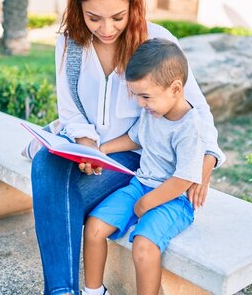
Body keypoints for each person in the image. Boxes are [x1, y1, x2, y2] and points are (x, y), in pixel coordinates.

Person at [30, 0, 225, 295]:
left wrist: (205, 162)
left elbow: (197, 109)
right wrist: (88, 145)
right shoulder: (69, 43)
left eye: (117, 17)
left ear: (133, 7)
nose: (106, 29)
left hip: (136, 160)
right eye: (94, 18)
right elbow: (71, 111)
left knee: (60, 200)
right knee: (45, 166)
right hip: (90, 151)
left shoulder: (156, 42)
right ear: (79, 9)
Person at [83, 38, 205, 295]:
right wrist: (101, 149)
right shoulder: (152, 112)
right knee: (94, 227)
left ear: (175, 88)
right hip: (140, 185)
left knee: (144, 246)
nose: (140, 103)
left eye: (145, 96)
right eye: (136, 95)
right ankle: (93, 291)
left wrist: (146, 203)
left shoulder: (189, 128)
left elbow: (184, 179)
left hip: (174, 200)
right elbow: (133, 138)